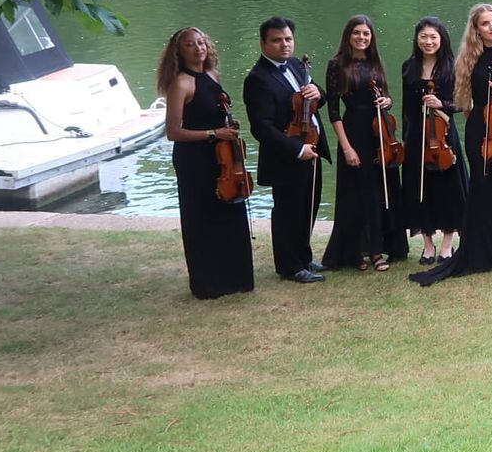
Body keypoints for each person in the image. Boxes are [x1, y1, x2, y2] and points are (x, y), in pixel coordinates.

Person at [412, 3, 492, 285]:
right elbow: (463, 103)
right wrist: (440, 105)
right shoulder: (469, 59)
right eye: (485, 23)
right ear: (476, 29)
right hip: (479, 133)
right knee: (481, 191)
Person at [156, 27, 254, 299]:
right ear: (179, 51)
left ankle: (235, 278)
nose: (198, 48)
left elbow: (214, 115)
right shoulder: (181, 83)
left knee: (228, 211)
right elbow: (173, 132)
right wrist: (213, 133)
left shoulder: (213, 75)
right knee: (201, 218)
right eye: (190, 45)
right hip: (193, 160)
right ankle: (208, 283)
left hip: (220, 156)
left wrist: (227, 127)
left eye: (201, 43)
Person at [321, 15, 408, 272]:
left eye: (366, 34)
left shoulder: (375, 62)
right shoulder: (336, 64)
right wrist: (346, 148)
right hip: (354, 132)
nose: (362, 37)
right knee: (357, 194)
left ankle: (380, 248)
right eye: (357, 33)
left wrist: (388, 102)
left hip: (380, 133)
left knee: (381, 192)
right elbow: (334, 113)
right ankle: (357, 250)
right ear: (349, 35)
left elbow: (386, 94)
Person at [242, 16, 325, 284]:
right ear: (263, 43)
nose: (284, 45)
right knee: (288, 212)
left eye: (288, 39)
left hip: (311, 147)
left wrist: (318, 92)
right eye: (277, 40)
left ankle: (303, 256)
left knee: (308, 207)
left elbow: (313, 102)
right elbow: (262, 128)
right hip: (287, 156)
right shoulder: (257, 79)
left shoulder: (297, 66)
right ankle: (289, 266)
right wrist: (297, 149)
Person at [400, 16, 467, 265]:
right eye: (423, 37)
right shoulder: (409, 67)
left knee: (449, 189)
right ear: (417, 39)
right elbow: (407, 108)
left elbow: (463, 104)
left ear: (441, 39)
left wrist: (442, 104)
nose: (428, 42)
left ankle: (448, 244)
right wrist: (404, 139)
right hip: (417, 135)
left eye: (433, 37)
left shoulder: (453, 66)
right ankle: (428, 244)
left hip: (444, 134)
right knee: (420, 190)